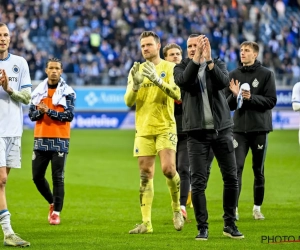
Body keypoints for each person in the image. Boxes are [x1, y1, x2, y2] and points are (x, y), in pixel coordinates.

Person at [174, 34, 244, 240]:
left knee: (231, 178)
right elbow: (185, 81)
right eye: (189, 46)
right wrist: (196, 61)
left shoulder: (218, 64)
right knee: (198, 182)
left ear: (205, 46)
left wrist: (210, 60)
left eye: (197, 45)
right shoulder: (181, 67)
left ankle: (229, 224)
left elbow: (223, 83)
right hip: (196, 134)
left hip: (222, 130)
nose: (192, 48)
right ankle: (202, 227)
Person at [124, 31, 184, 234]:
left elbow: (177, 93)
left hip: (165, 125)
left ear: (158, 46)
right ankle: (146, 223)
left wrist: (158, 80)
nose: (145, 49)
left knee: (168, 169)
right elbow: (127, 102)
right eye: (142, 46)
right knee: (145, 174)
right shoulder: (136, 70)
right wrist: (136, 86)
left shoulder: (171, 68)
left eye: (149, 45)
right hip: (143, 128)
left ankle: (177, 209)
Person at [163, 43, 214, 220]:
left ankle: (181, 207)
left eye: (178, 53)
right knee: (173, 170)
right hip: (168, 131)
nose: (176, 56)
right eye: (171, 54)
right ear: (165, 58)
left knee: (184, 168)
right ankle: (183, 198)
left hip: (187, 129)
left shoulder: (186, 74)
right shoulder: (162, 78)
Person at [227, 41, 277, 221]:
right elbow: (227, 105)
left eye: (246, 50)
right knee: (236, 168)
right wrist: (235, 95)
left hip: (259, 129)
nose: (242, 53)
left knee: (258, 169)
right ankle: (234, 209)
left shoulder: (266, 74)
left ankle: (257, 208)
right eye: (241, 50)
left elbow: (271, 101)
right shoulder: (233, 75)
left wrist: (251, 98)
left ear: (255, 54)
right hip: (239, 129)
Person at [28, 58, 76, 225]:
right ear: (46, 70)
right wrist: (41, 112)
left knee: (58, 177)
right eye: (51, 68)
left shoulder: (68, 92)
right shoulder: (38, 92)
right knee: (37, 177)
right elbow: (31, 116)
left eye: (57, 68)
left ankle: (56, 213)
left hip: (60, 140)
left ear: (61, 71)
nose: (54, 71)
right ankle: (52, 202)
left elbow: (69, 116)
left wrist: (48, 111)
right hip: (40, 138)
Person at [0, 22, 31, 247]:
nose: (2, 38)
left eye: (5, 35)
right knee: (0, 180)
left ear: (10, 38)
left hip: (14, 131)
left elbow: (28, 97)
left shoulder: (20, 63)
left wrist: (9, 89)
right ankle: (8, 233)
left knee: (3, 182)